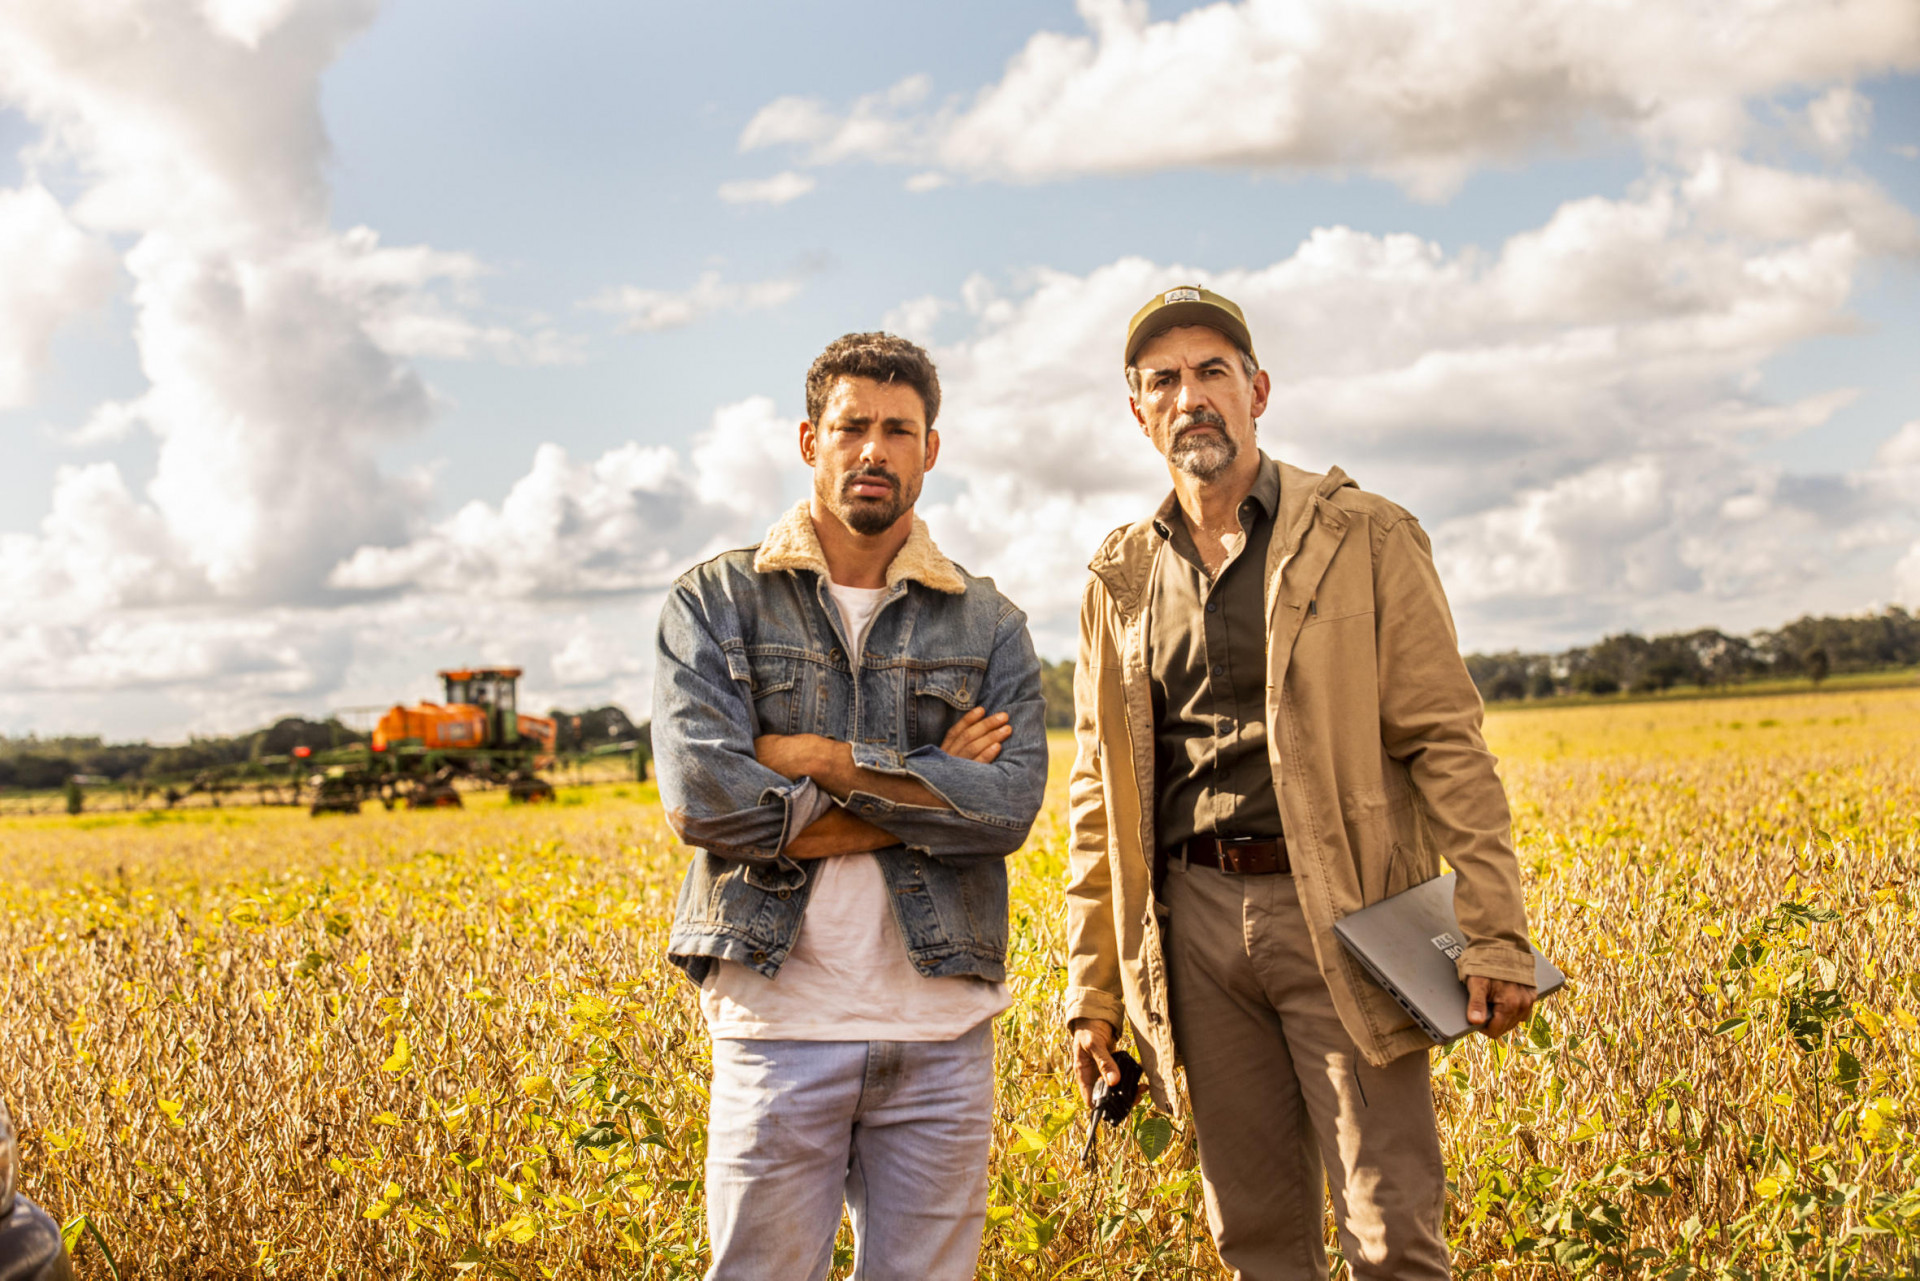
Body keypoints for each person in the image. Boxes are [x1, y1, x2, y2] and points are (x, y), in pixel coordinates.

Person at [1063, 286, 1539, 1279]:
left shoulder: (1362, 533)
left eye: (1213, 372)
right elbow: (1097, 801)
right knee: (1256, 1241)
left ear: (1258, 390)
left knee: (1390, 1233)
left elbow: (1445, 740)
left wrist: (1496, 929)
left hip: (1344, 911)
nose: (1191, 396)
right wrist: (1092, 993)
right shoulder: (1119, 576)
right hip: (1190, 926)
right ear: (1138, 411)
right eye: (1165, 381)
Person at [653, 331, 1048, 1281]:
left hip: (941, 1033)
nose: (874, 449)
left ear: (931, 450)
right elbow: (708, 803)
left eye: (898, 430)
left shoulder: (989, 623)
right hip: (778, 1025)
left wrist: (819, 758)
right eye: (852, 427)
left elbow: (1005, 813)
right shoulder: (718, 603)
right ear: (808, 440)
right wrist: (927, 782)